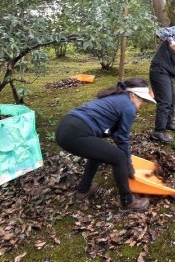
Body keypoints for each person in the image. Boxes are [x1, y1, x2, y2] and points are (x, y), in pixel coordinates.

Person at [55, 77, 156, 212]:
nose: (141, 103)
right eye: (141, 99)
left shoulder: (116, 97)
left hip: (64, 128)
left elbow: (114, 131)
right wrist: (128, 165)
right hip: (76, 133)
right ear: (133, 95)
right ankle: (127, 201)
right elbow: (122, 138)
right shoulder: (128, 106)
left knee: (99, 153)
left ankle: (83, 190)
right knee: (119, 157)